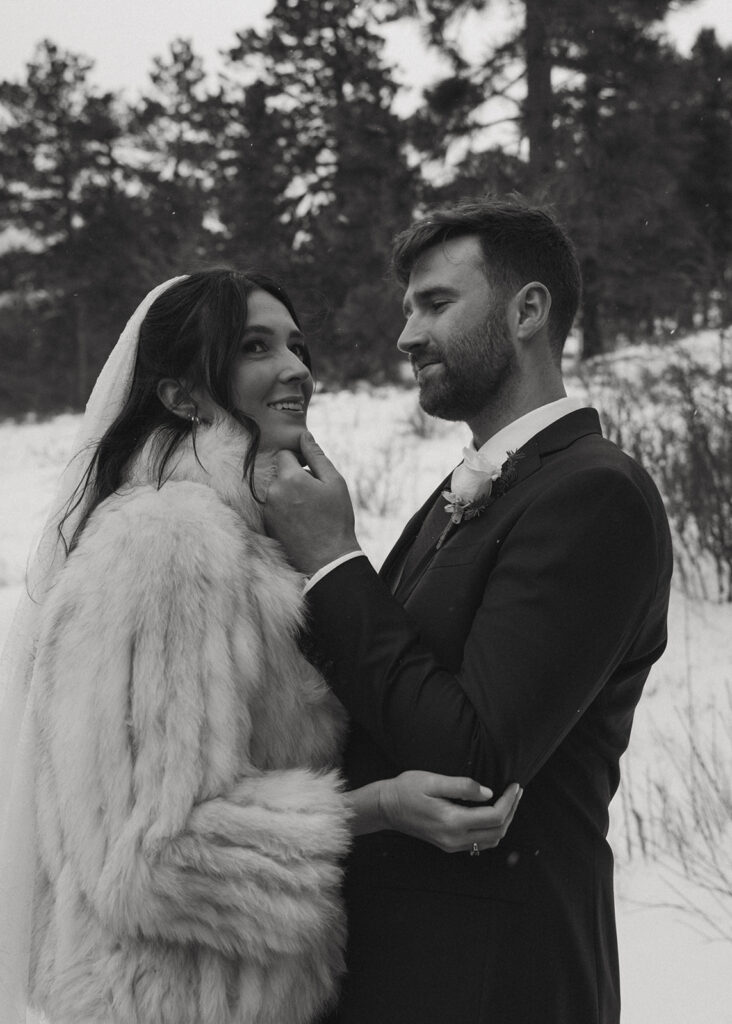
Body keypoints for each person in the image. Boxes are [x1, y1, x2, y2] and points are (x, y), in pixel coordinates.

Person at [0, 269, 520, 1024]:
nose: (296, 368)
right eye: (255, 347)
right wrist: (375, 808)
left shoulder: (249, 540)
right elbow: (154, 853)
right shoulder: (171, 546)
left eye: (298, 345)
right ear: (182, 396)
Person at [263, 199, 674, 1024]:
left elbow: (473, 754)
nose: (407, 336)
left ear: (529, 310)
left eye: (436, 303)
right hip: (403, 971)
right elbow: (384, 703)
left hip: (498, 981)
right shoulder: (476, 486)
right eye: (408, 307)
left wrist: (336, 562)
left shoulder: (595, 494)